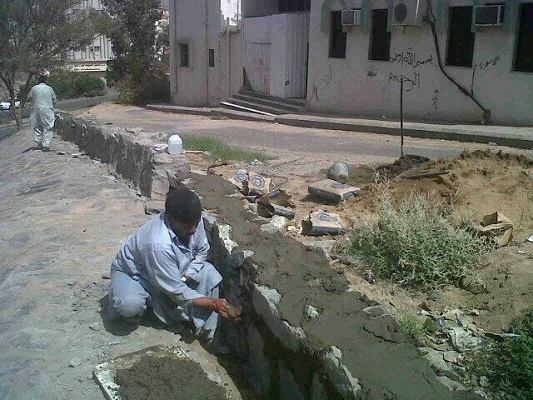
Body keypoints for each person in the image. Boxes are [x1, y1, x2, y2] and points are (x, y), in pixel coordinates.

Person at [106, 187, 230, 342]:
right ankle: (136, 306)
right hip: (136, 275)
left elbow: (202, 250)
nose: (193, 230)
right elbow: (177, 291)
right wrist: (212, 303)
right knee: (129, 305)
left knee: (210, 274)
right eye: (187, 226)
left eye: (196, 224)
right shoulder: (158, 243)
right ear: (170, 219)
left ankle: (208, 337)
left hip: (174, 270)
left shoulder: (192, 221)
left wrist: (187, 276)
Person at [27, 72, 57, 151]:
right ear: (46, 81)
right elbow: (54, 100)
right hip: (47, 109)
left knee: (37, 126)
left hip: (36, 109)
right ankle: (46, 144)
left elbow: (29, 98)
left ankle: (39, 143)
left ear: (38, 81)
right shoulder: (49, 88)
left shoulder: (34, 88)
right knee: (48, 126)